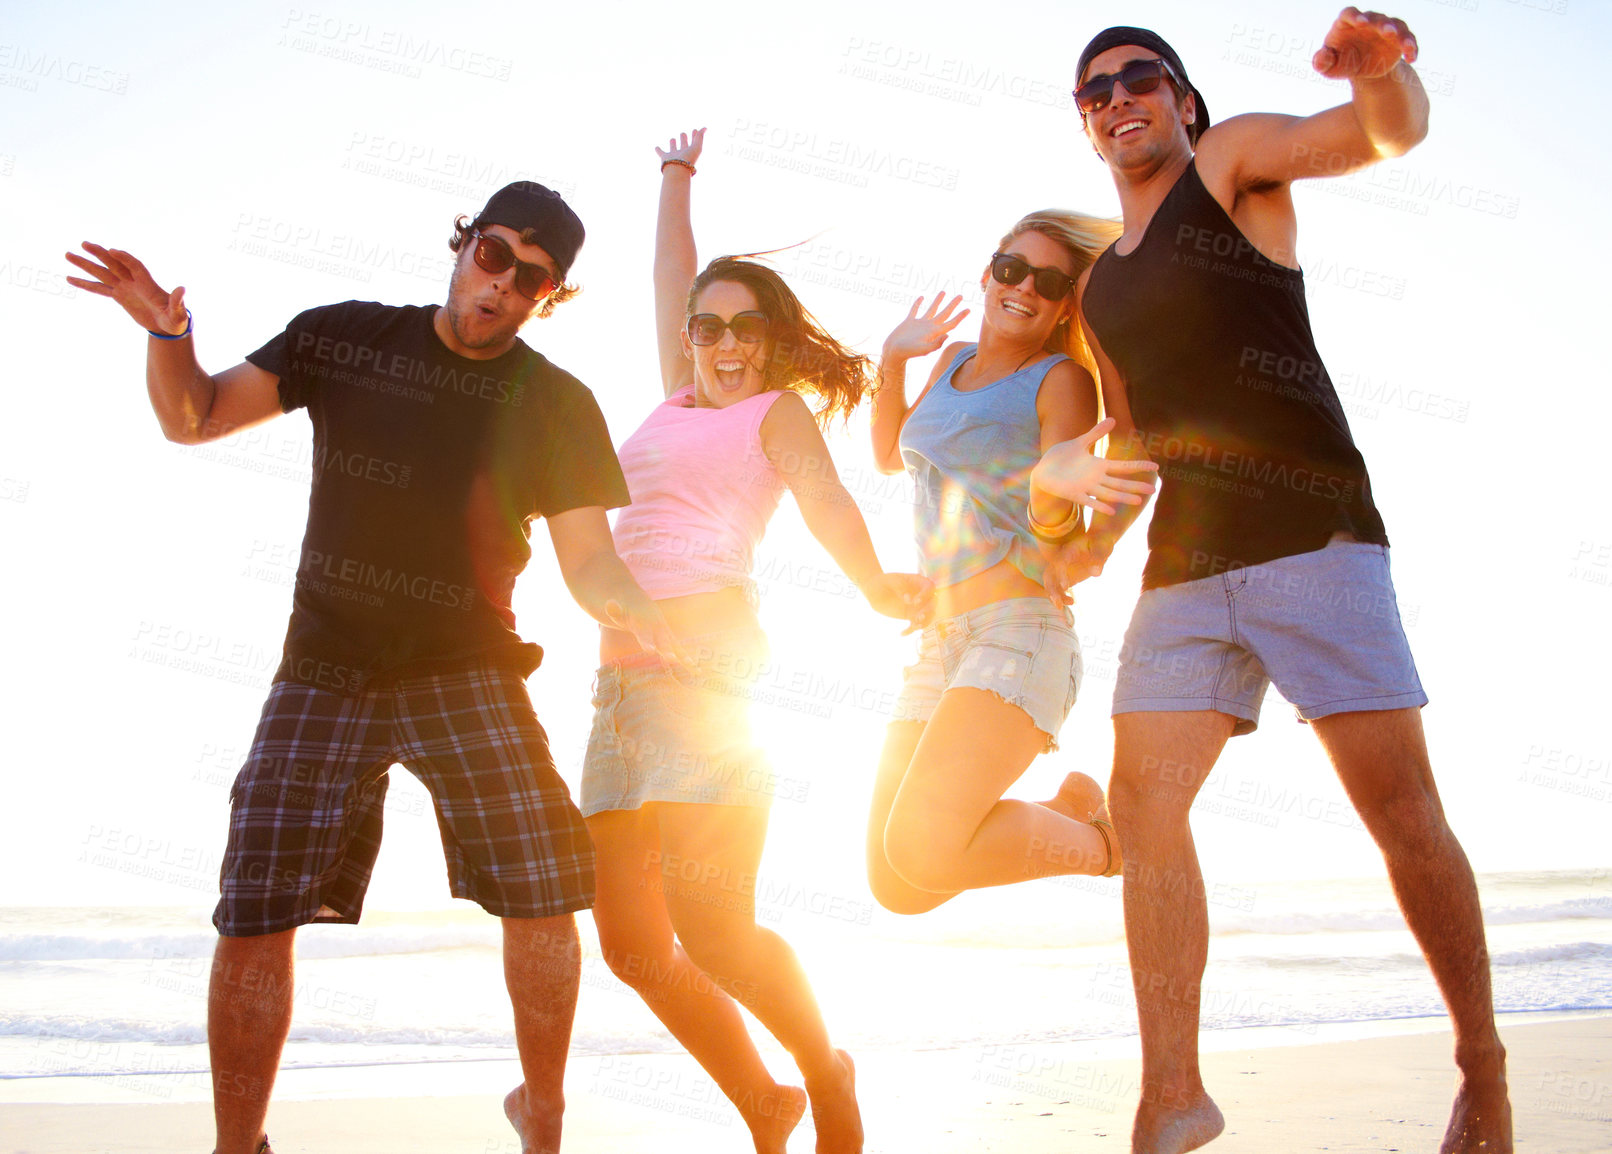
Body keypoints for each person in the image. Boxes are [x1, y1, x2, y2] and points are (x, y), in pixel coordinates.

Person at [65, 181, 678, 1154]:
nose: (502, 286)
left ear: (547, 295)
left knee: (547, 882)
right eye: (494, 255)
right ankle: (239, 1144)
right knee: (257, 904)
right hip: (325, 665)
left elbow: (592, 563)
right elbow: (194, 418)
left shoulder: (557, 403)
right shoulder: (345, 338)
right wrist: (168, 333)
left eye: (532, 278)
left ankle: (545, 1116)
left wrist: (657, 625)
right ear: (464, 240)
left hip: (468, 671)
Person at [1049, 13, 1512, 1153]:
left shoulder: (1232, 165)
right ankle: (1173, 1095)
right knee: (1145, 807)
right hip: (1185, 572)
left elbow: (1376, 136)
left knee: (1399, 811)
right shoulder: (1100, 288)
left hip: (1314, 539)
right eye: (1094, 90)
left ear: (1183, 98)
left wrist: (1386, 74)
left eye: (1139, 77)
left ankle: (1483, 1062)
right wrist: (1069, 513)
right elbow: (1130, 439)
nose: (1119, 98)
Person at [580, 128, 929, 1154]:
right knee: (635, 946)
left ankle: (825, 1069)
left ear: (772, 342)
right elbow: (670, 277)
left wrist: (871, 586)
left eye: (744, 330)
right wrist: (675, 178)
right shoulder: (673, 395)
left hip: (709, 674)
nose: (723, 345)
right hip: (617, 687)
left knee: (714, 928)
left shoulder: (773, 411)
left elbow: (824, 502)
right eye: (708, 329)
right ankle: (764, 1098)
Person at [863, 207, 1153, 918]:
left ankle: (1106, 846)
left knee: (927, 850)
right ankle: (1069, 809)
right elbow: (886, 454)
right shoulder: (951, 358)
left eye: (1050, 282)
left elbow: (1070, 491)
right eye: (1012, 268)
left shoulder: (1059, 381)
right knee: (897, 884)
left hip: (1016, 634)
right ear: (990, 271)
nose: (1023, 287)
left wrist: (1086, 536)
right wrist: (893, 361)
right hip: (941, 641)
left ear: (1065, 308)